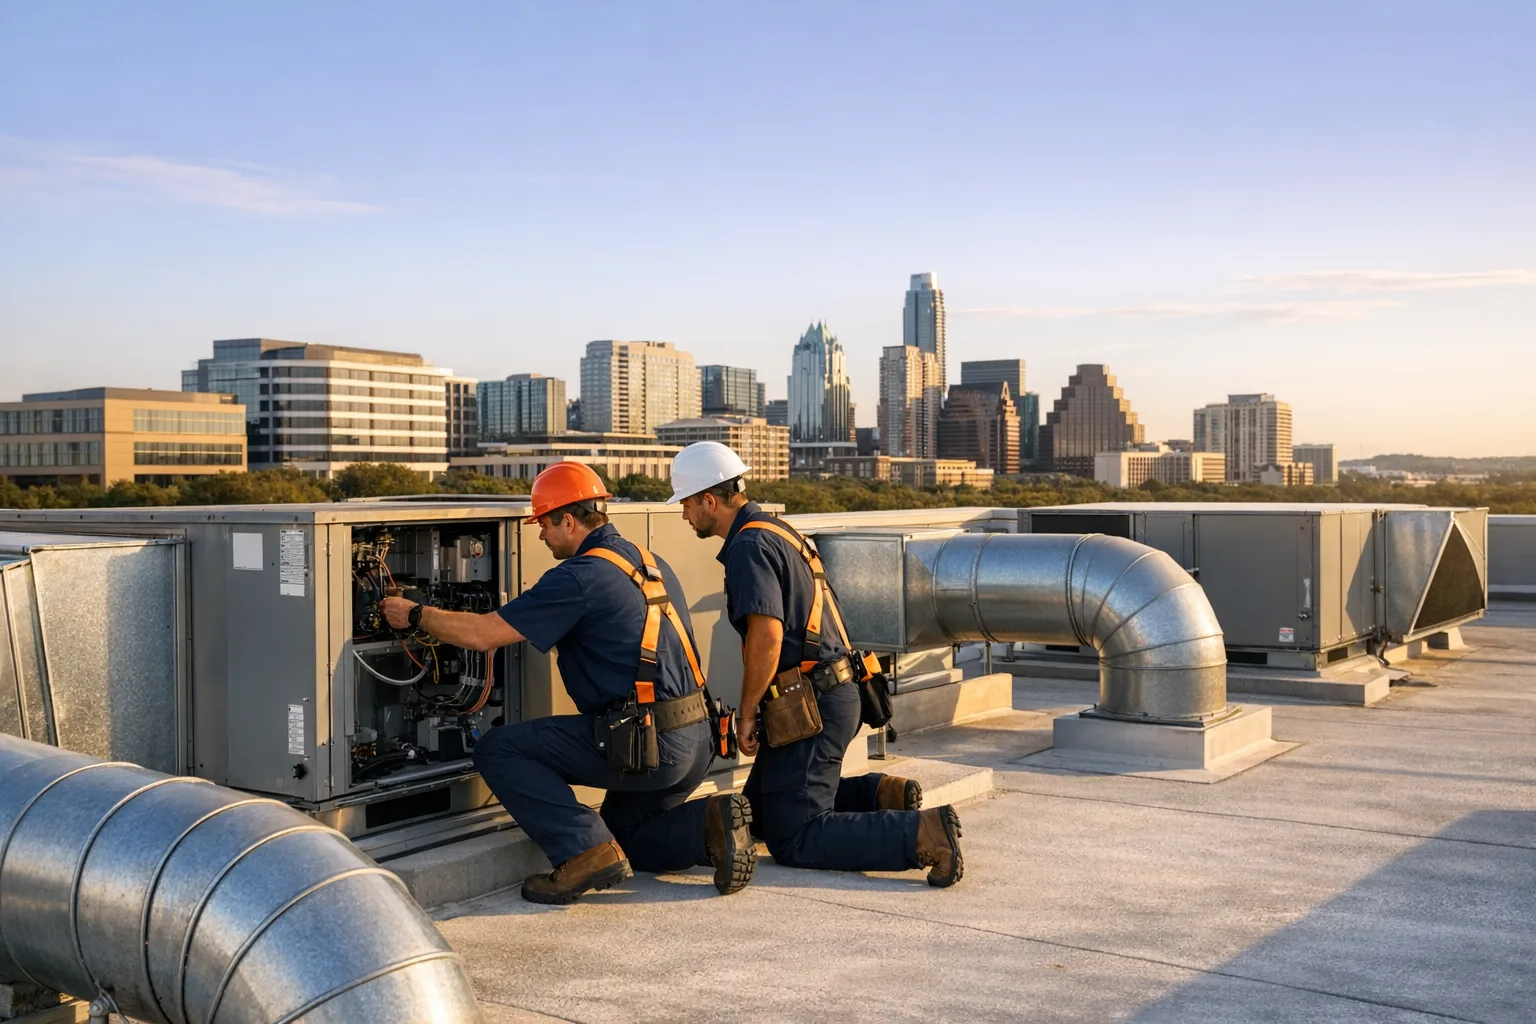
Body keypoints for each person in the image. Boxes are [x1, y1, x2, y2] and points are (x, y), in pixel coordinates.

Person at [381, 461, 754, 905]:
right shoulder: (649, 561)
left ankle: (583, 853)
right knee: (626, 834)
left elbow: (482, 636)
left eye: (544, 525)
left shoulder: (578, 578)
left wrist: (415, 614)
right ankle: (710, 822)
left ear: (569, 521)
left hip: (649, 746)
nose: (540, 536)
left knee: (498, 749)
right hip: (696, 741)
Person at [667, 441, 964, 887]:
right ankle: (879, 795)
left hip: (811, 706)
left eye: (687, 504)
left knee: (795, 837)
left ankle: (924, 834)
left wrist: (747, 713)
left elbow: (766, 638)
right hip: (829, 691)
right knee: (762, 814)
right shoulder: (779, 531)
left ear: (710, 499)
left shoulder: (748, 547)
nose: (685, 515)